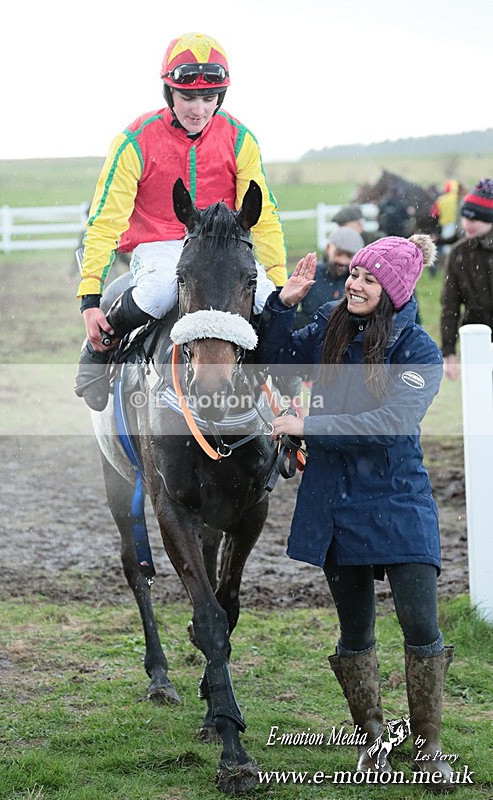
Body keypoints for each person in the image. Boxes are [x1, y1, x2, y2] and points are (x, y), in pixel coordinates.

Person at [255, 235, 455, 779]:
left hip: (397, 496)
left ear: (393, 290)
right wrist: (282, 306)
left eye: (369, 279)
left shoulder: (417, 350)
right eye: (354, 274)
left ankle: (429, 749)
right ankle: (371, 742)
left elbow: (390, 424)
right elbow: (273, 363)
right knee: (355, 632)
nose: (355, 284)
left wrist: (309, 425)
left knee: (421, 627)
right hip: (334, 500)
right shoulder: (328, 323)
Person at [74, 32, 287, 411]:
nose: (199, 109)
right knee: (159, 291)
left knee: (267, 299)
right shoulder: (134, 140)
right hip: (158, 245)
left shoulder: (240, 139)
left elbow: (264, 216)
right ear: (169, 92)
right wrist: (90, 297)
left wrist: (280, 280)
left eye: (209, 98)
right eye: (188, 97)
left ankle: (285, 392)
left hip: (222, 248)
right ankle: (100, 348)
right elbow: (105, 221)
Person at [440, 178, 493, 381]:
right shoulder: (459, 253)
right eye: (464, 218)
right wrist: (449, 352)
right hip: (476, 341)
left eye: (474, 220)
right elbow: (450, 305)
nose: (466, 224)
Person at [296, 226, 364, 328]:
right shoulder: (310, 274)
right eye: (339, 253)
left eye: (349, 255)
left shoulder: (360, 282)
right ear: (328, 248)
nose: (343, 261)